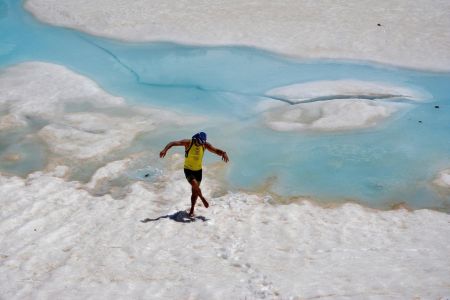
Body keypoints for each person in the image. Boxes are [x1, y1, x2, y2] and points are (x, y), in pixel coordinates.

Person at [159, 132, 229, 217]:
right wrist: (165, 150)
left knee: (195, 192)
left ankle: (192, 208)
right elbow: (173, 143)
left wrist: (223, 153)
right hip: (188, 169)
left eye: (203, 142)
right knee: (195, 185)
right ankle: (202, 198)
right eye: (200, 142)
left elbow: (216, 151)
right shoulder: (188, 143)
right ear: (196, 139)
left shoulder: (204, 145)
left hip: (198, 171)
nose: (201, 144)